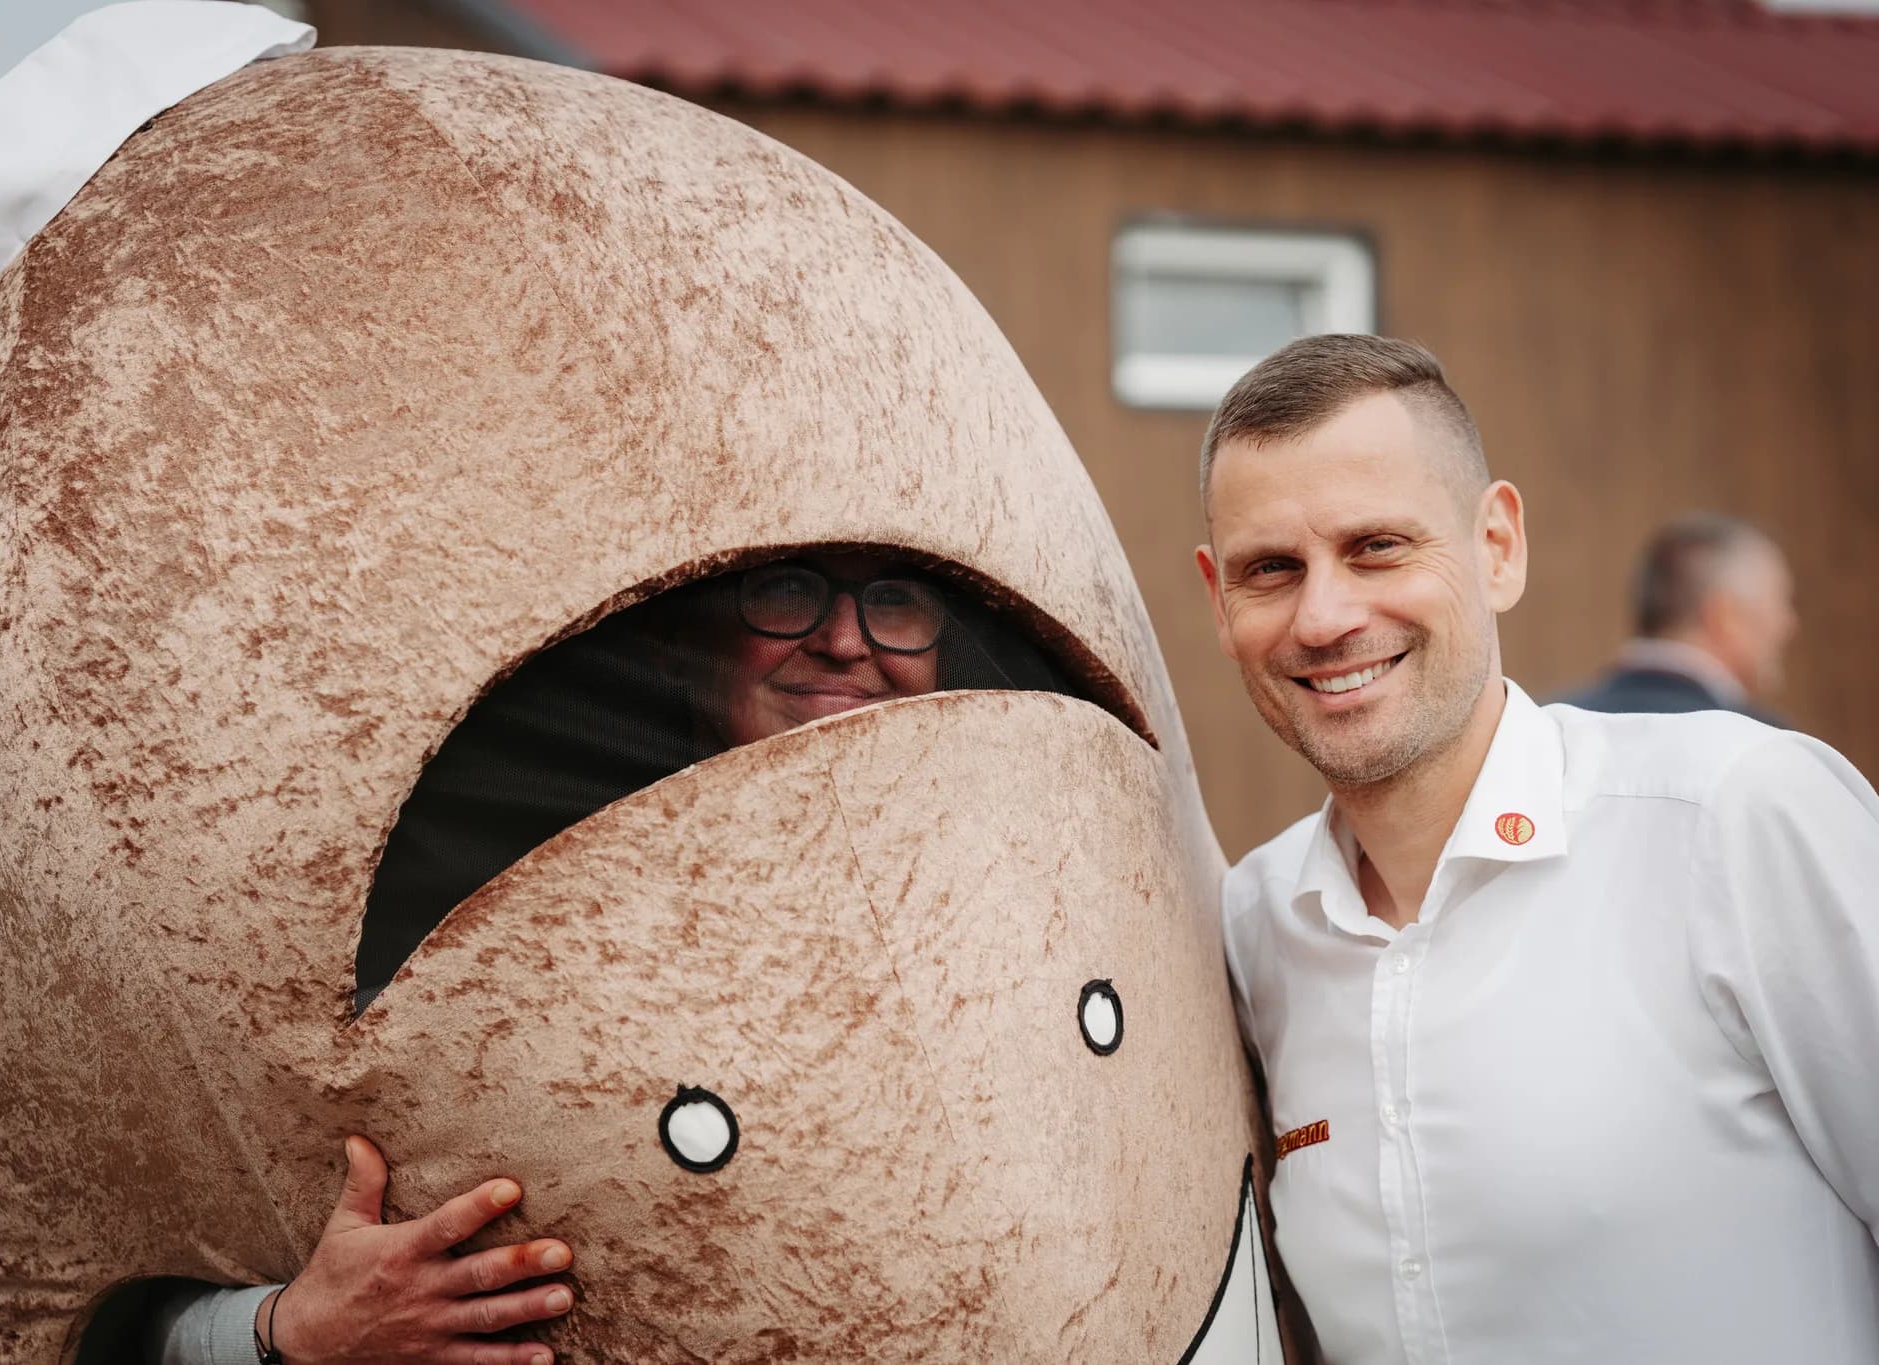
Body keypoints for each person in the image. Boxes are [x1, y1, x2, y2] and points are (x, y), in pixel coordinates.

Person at [150, 550, 1074, 1364]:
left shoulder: (1037, 897)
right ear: (680, 638)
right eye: (786, 591)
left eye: (898, 600)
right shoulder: (485, 899)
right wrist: (279, 1333)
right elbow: (82, 1260)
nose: (843, 640)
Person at [1195, 334, 1879, 1362]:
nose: (1324, 615)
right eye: (1270, 570)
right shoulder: (1251, 932)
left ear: (1497, 547)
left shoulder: (1735, 821)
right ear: (1217, 599)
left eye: (1376, 546)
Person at [1554, 511, 1796, 723]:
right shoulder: (1762, 746)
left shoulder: (1548, 727)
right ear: (1726, 617)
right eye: (1781, 604)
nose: (1789, 625)